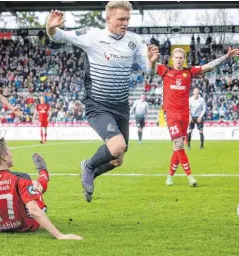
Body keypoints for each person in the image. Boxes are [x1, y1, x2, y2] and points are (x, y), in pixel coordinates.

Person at [46, 1, 157, 202]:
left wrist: (152, 62)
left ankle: (91, 173)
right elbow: (59, 36)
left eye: (128, 19)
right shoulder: (93, 35)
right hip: (98, 105)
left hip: (121, 106)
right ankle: (88, 166)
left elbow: (148, 71)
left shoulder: (135, 41)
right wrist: (50, 27)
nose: (125, 23)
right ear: (108, 18)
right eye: (121, 19)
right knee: (116, 147)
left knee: (117, 159)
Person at [148, 47, 239, 187]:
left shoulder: (189, 72)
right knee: (179, 143)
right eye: (176, 57)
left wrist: (226, 57)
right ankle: (190, 176)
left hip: (184, 114)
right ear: (172, 59)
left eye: (181, 58)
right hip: (170, 113)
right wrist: (152, 61)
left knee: (176, 147)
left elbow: (209, 66)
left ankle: (169, 176)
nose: (178, 60)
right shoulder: (165, 70)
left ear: (184, 59)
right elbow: (151, 69)